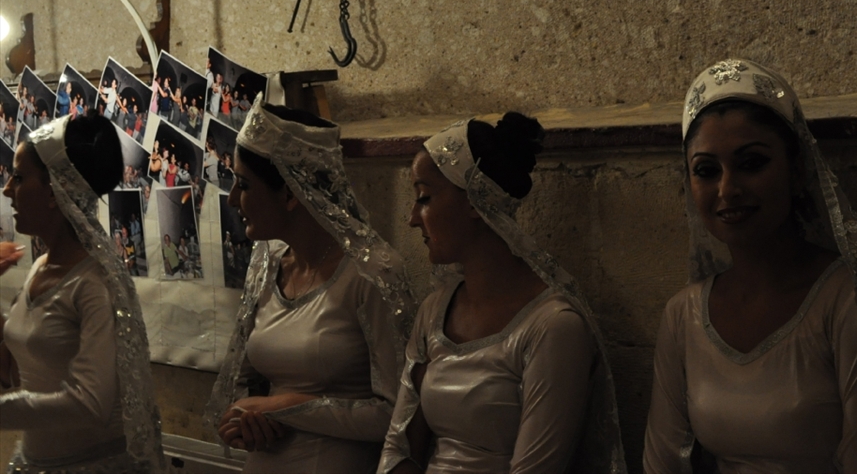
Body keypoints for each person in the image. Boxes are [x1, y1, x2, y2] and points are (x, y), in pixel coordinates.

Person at [643, 59, 857, 473]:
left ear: (796, 171)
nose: (727, 189)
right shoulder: (683, 316)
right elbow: (662, 463)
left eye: (752, 163)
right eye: (706, 170)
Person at [378, 113, 627, 474]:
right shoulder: (435, 310)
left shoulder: (554, 328)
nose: (413, 218)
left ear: (474, 202)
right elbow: (399, 447)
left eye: (425, 197)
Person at [206, 94, 415, 474]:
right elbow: (245, 385)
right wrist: (243, 423)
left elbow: (398, 414)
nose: (234, 200)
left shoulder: (371, 273)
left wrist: (281, 408)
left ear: (289, 193)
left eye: (244, 185)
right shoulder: (267, 265)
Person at [0, 112, 164, 472]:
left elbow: (90, 403)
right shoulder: (39, 268)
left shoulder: (93, 283)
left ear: (53, 192)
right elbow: (18, 368)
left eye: (18, 177)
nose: (7, 189)